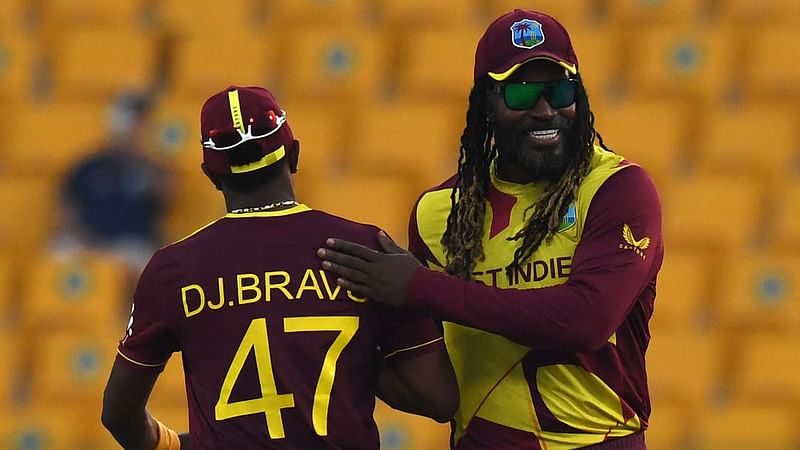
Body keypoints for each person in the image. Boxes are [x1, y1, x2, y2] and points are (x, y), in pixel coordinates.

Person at [318, 9, 663, 450]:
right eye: (521, 93)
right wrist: (338, 358)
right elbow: (435, 387)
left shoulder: (617, 189)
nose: (545, 110)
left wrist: (422, 288)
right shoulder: (439, 213)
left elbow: (585, 320)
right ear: (486, 104)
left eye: (560, 90)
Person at [101, 85, 458, 449]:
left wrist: (174, 445)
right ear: (294, 154)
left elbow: (117, 412)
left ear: (210, 175)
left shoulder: (173, 271)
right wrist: (356, 355)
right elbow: (438, 398)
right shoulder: (365, 252)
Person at [55, 90, 170, 275]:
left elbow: (166, 193)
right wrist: (88, 242)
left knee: (148, 266)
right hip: (87, 242)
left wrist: (144, 158)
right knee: (60, 252)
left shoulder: (149, 167)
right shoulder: (88, 166)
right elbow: (65, 212)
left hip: (130, 245)